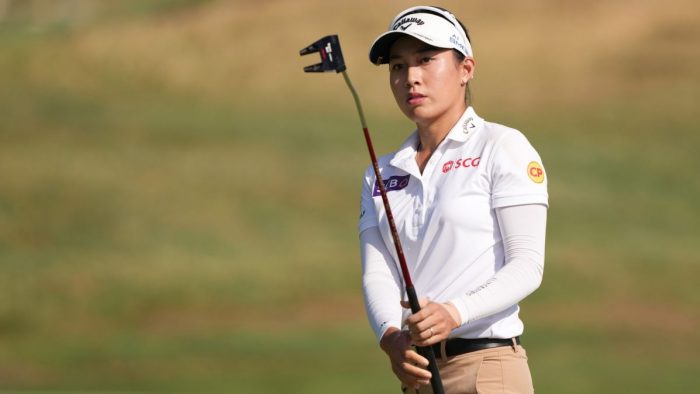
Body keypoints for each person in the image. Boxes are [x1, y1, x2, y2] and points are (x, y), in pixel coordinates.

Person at [358, 6, 548, 393]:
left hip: (489, 368)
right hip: (419, 376)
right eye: (397, 66)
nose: (411, 77)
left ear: (466, 69)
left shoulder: (502, 146)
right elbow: (377, 274)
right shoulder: (382, 172)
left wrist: (454, 312)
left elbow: (527, 265)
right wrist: (389, 336)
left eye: (426, 60)